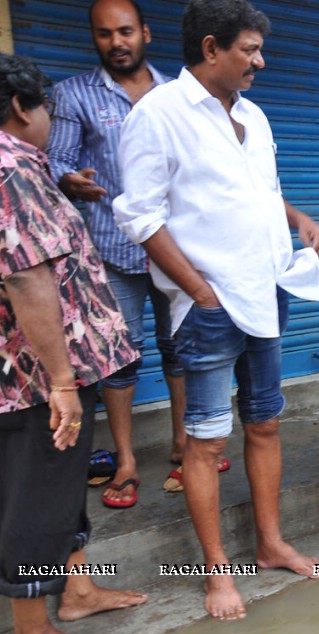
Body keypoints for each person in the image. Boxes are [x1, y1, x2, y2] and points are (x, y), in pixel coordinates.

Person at [113, 0, 319, 620]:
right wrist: (199, 290)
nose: (260, 62)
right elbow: (140, 215)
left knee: (264, 424)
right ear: (211, 48)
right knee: (204, 444)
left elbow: (263, 192)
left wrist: (297, 218)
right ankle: (216, 574)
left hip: (268, 294)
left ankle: (269, 542)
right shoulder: (158, 116)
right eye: (250, 50)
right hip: (208, 308)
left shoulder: (254, 117)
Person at [0, 53, 147, 634]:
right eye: (47, 111)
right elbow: (28, 279)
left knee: (60, 491)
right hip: (37, 379)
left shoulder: (25, 168)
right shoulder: (10, 169)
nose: (48, 122)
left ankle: (79, 591)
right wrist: (62, 382)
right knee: (36, 497)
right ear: (20, 109)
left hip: (56, 373)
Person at [49, 0, 192, 509]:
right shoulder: (73, 95)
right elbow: (56, 160)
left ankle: (183, 445)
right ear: (95, 37)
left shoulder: (178, 93)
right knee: (120, 358)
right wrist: (68, 179)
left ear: (146, 33)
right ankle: (127, 459)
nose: (117, 42)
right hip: (112, 249)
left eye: (125, 31)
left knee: (180, 347)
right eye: (105, 34)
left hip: (176, 247)